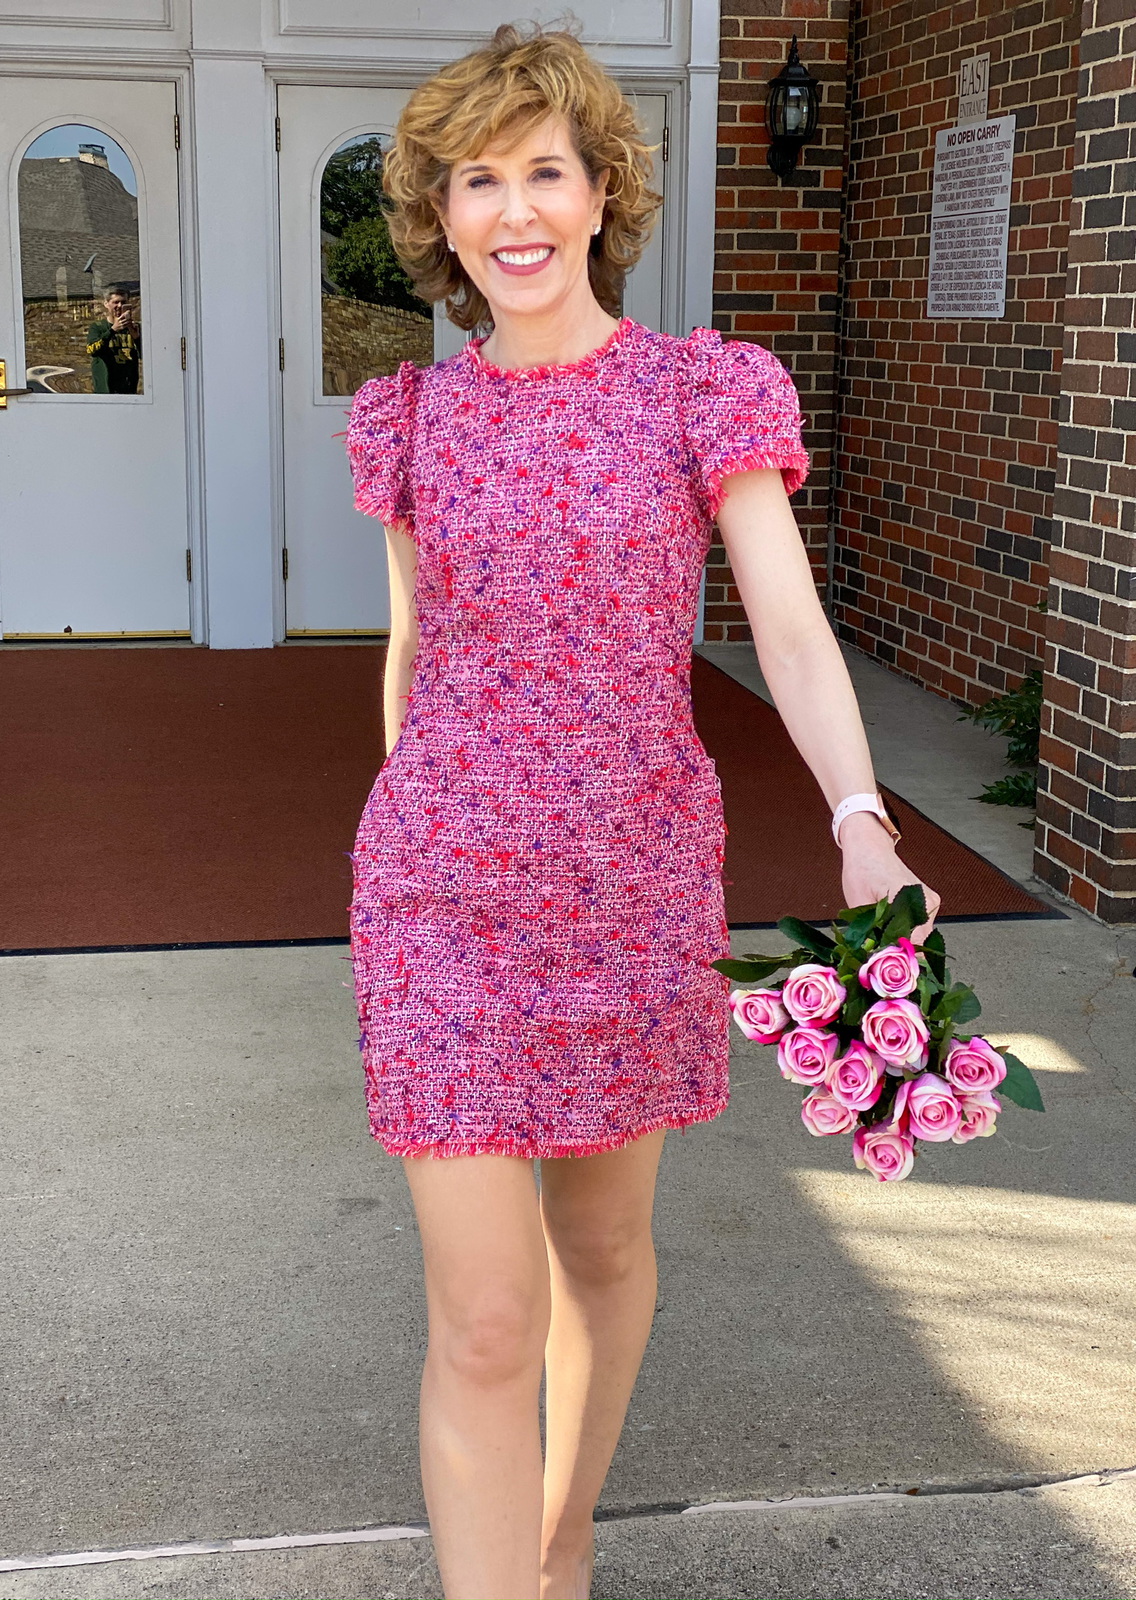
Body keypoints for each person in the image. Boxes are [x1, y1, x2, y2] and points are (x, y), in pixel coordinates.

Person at [343, 23, 940, 1600]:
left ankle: (562, 1532)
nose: (515, 208)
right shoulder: (414, 417)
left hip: (630, 884)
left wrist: (861, 815)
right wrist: (413, 817)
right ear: (444, 211)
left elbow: (791, 632)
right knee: (482, 1314)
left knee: (599, 1253)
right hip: (440, 898)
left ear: (603, 192)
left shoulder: (700, 395)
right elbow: (415, 646)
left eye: (546, 169)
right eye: (481, 178)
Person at [86, 286, 141, 394]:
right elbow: (91, 350)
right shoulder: (98, 327)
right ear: (106, 304)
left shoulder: (134, 328)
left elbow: (146, 356)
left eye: (123, 302)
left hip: (128, 389)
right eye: (116, 302)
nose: (119, 306)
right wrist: (112, 330)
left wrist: (136, 338)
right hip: (106, 388)